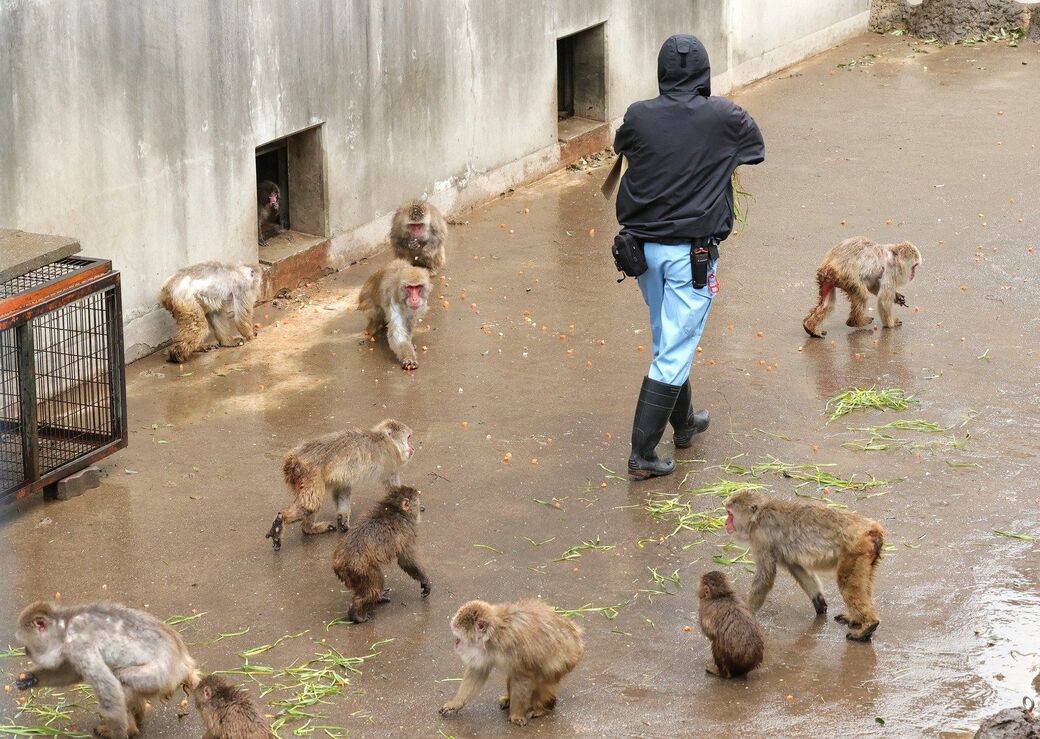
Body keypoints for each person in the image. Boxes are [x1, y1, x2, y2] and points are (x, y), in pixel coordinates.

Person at [614, 34, 765, 479]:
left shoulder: (639, 115)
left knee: (669, 338)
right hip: (689, 259)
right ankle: (642, 453)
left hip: (644, 256)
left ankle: (684, 422)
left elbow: (625, 146)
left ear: (661, 72)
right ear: (703, 74)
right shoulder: (725, 116)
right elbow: (754, 151)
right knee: (674, 347)